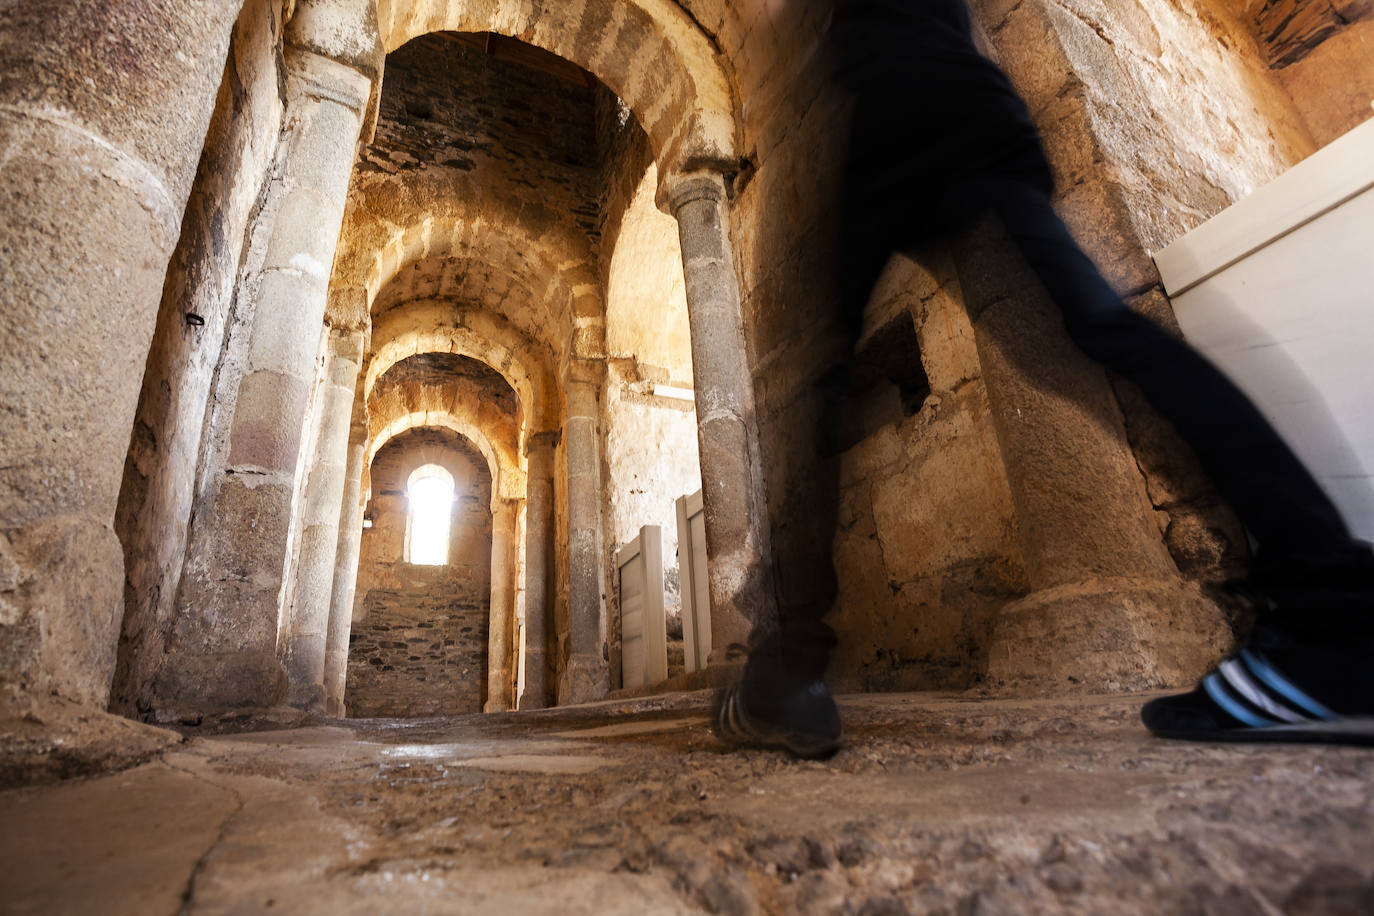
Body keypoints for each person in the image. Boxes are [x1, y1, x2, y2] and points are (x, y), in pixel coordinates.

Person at [711, 0, 1374, 757]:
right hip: (973, 105)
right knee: (1107, 325)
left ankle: (791, 669)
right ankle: (1332, 601)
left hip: (897, 113)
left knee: (820, 384)